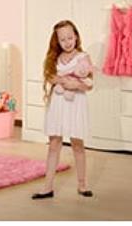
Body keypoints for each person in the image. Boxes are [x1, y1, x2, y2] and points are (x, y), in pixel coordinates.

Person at [32, 20, 94, 200]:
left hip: (75, 103)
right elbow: (50, 77)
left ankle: (82, 184)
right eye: (63, 39)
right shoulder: (55, 58)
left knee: (77, 144)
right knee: (54, 144)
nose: (67, 42)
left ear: (76, 37)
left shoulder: (83, 57)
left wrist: (76, 85)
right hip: (58, 103)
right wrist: (61, 80)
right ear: (57, 41)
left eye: (70, 38)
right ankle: (47, 187)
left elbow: (90, 84)